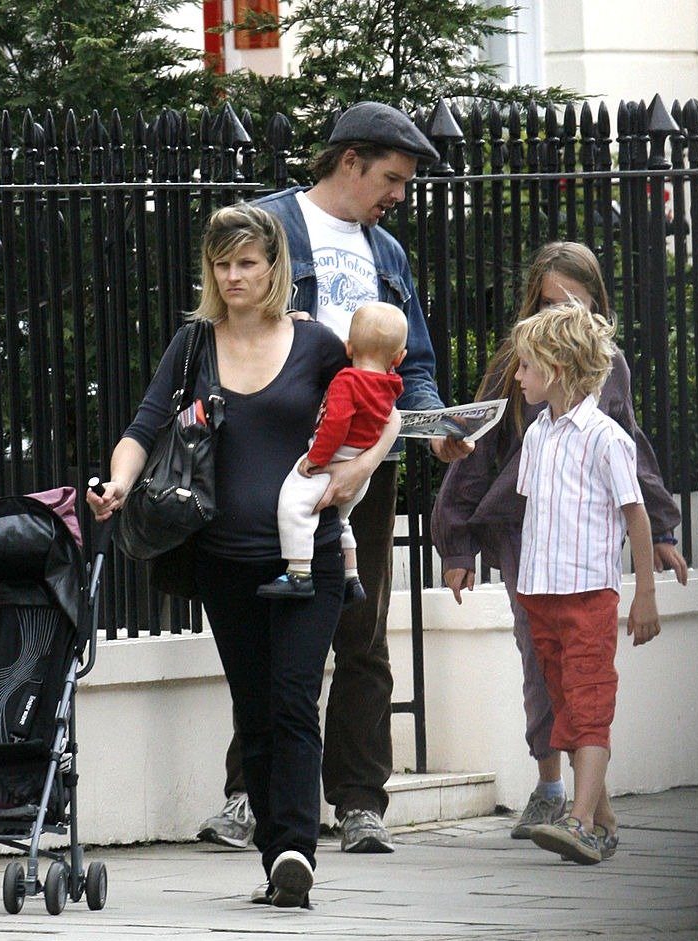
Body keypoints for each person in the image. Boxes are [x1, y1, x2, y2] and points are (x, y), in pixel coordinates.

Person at [88, 203, 401, 907]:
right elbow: (145, 424)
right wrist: (118, 484)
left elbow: (390, 411)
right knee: (254, 710)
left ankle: (294, 845)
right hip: (223, 562)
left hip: (307, 559)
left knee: (294, 698)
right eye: (222, 263)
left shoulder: (318, 344)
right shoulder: (195, 344)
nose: (233, 275)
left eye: (247, 262)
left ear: (272, 268)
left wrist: (359, 471)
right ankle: (275, 859)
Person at [199, 101, 472, 855]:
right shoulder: (269, 224)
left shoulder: (387, 252)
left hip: (366, 458)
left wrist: (435, 427)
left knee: (361, 622)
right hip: (275, 451)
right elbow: (226, 324)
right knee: (263, 626)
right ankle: (250, 799)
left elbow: (411, 363)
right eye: (391, 178)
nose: (399, 196)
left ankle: (359, 802)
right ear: (348, 161)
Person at [431, 242, 687, 842]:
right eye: (547, 301)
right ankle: (551, 788)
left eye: (572, 300)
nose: (558, 312)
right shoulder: (521, 370)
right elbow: (477, 456)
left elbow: (631, 453)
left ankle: (587, 810)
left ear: (596, 302)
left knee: (583, 678)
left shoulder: (608, 376)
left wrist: (663, 530)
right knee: (539, 661)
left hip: (584, 554)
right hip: (528, 534)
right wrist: (458, 546)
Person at [511, 301, 660, 863]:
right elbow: (534, 512)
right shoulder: (536, 437)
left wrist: (644, 591)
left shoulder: (606, 438)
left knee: (590, 700)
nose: (518, 376)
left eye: (525, 366)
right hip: (539, 595)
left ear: (555, 367)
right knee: (565, 705)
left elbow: (635, 515)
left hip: (588, 596)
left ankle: (580, 822)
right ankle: (602, 817)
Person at [257, 302, 407, 603]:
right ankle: (352, 578)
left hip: (333, 459)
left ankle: (299, 574)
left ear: (348, 348)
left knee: (294, 506)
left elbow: (336, 424)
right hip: (359, 471)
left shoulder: (348, 381)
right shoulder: (391, 385)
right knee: (340, 522)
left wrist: (316, 459)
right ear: (399, 357)